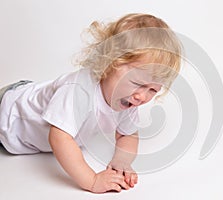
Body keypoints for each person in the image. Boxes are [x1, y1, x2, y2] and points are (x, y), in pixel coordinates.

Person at [0, 13, 182, 193]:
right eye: (137, 84)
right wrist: (92, 180)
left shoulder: (127, 99)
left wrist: (122, 161)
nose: (142, 97)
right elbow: (59, 137)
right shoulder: (78, 89)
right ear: (110, 64)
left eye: (153, 90)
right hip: (7, 112)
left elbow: (128, 135)